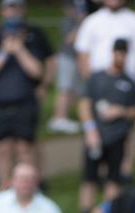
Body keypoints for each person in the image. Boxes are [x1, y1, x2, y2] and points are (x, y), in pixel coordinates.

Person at [0, 0, 56, 186]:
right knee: (3, 147)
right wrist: (4, 52)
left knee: (24, 148)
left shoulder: (34, 35)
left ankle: (29, 185)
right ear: (2, 11)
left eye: (17, 7)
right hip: (1, 101)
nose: (14, 12)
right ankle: (5, 185)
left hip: (26, 100)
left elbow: (38, 70)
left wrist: (19, 49)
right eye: (10, 7)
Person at [76, 39, 135, 213]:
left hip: (117, 138)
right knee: (89, 179)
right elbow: (84, 105)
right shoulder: (96, 78)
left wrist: (119, 111)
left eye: (124, 53)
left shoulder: (129, 82)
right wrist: (90, 130)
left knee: (113, 180)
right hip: (96, 137)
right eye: (118, 52)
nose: (120, 57)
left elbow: (134, 111)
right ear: (112, 53)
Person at [75, 0, 135, 78]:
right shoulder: (91, 21)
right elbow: (83, 53)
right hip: (99, 80)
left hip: (128, 80)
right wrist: (89, 80)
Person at [47, 0, 88, 134]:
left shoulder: (84, 22)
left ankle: (64, 117)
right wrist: (81, 24)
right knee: (64, 89)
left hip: (78, 59)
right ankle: (58, 118)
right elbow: (70, 39)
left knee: (75, 91)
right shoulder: (68, 22)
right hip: (67, 58)